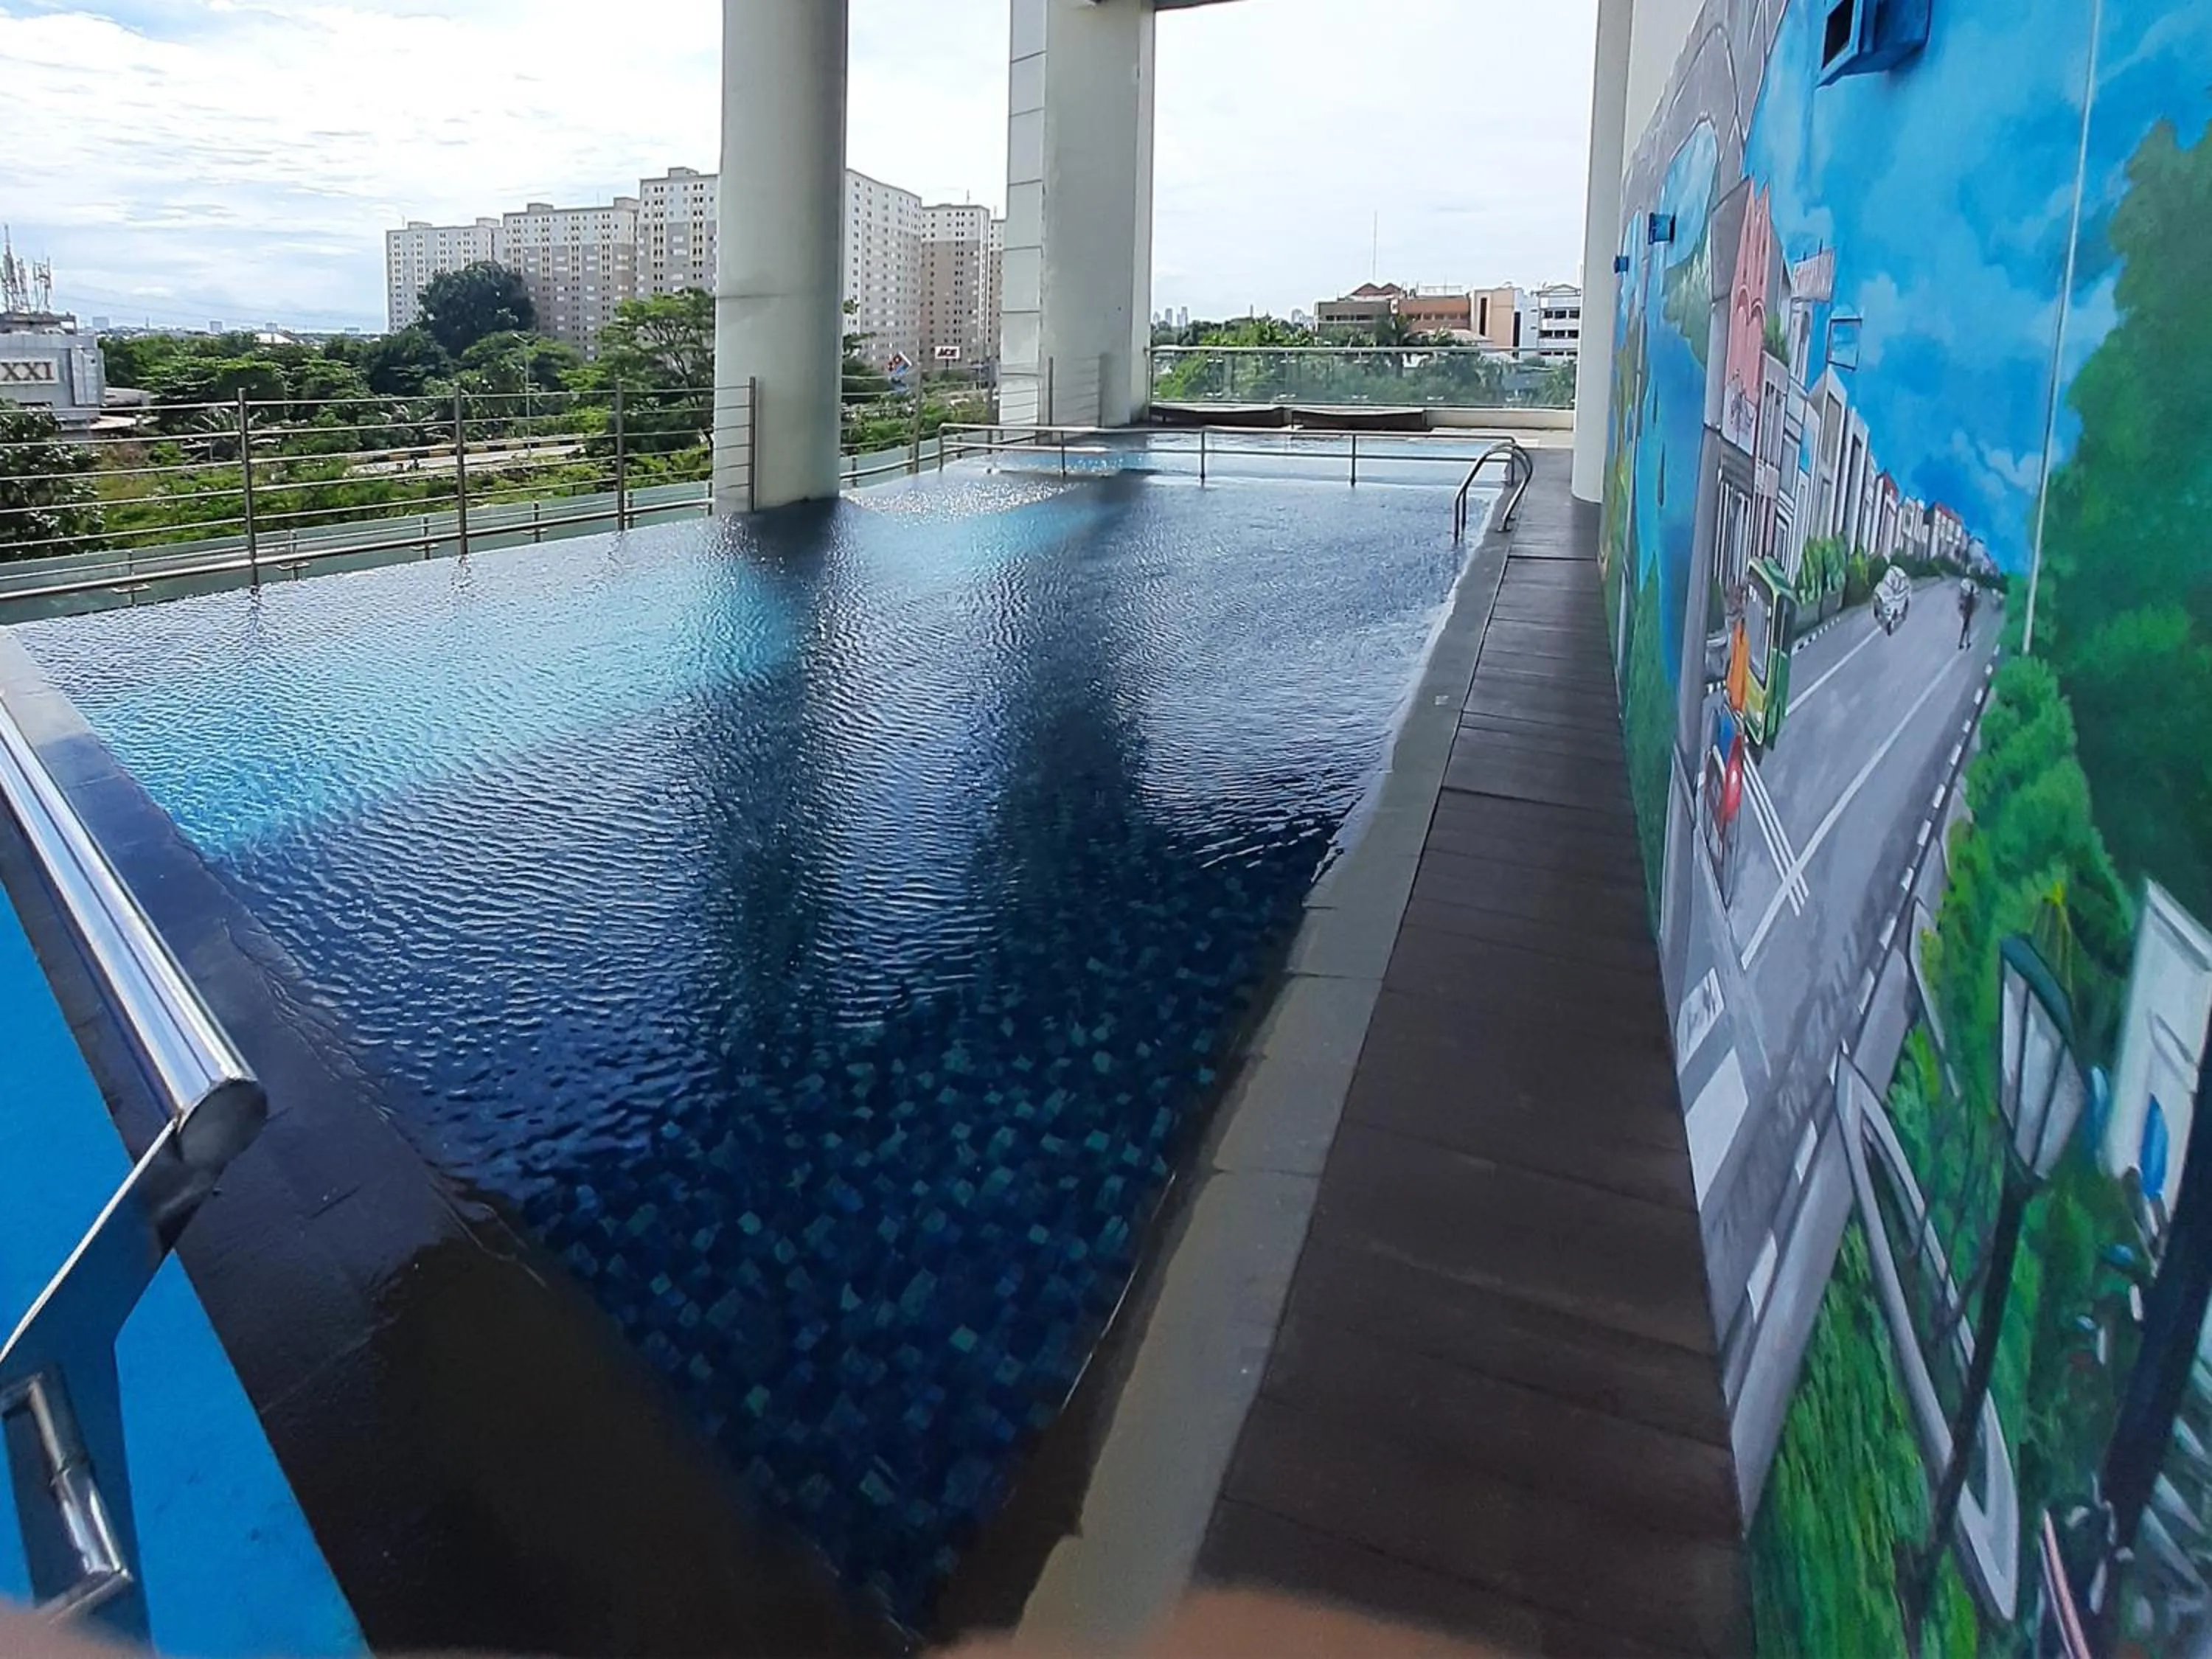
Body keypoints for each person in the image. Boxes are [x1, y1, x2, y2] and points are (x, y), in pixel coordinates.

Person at [1958, 577, 1979, 650]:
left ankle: (1964, 643)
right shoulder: (1971, 598)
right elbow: (1972, 607)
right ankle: (1963, 643)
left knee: (1966, 629)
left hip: (1966, 614)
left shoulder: (1968, 597)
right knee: (1965, 630)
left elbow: (1965, 605)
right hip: (1968, 615)